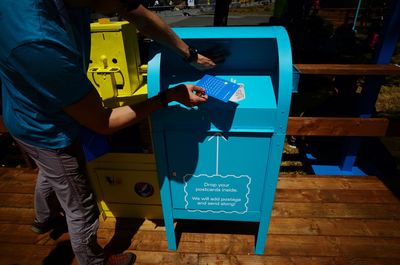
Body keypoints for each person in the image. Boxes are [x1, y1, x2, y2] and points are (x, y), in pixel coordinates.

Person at [0, 0, 216, 264]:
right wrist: (167, 96)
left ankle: (43, 219)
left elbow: (135, 12)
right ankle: (94, 260)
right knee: (81, 208)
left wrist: (189, 54)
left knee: (52, 171)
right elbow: (103, 122)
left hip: (29, 111)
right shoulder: (38, 41)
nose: (125, 7)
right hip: (46, 127)